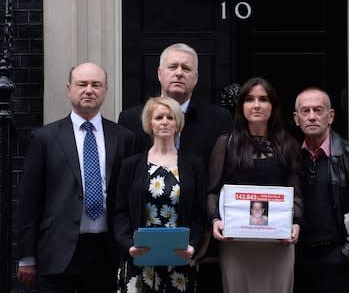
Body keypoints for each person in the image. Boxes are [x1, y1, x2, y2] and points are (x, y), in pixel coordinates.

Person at [118, 43, 232, 293]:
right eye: (173, 67)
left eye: (186, 68)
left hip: (194, 251)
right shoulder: (129, 119)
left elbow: (220, 178)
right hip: (139, 254)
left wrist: (198, 242)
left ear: (196, 77)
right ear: (159, 73)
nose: (179, 72)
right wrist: (127, 242)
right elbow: (123, 193)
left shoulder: (219, 119)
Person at [16, 62, 135, 292]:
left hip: (106, 250)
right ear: (69, 88)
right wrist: (26, 257)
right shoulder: (45, 138)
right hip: (57, 250)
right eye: (82, 84)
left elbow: (128, 196)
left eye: (96, 84)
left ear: (106, 90)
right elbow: (29, 201)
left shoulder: (124, 138)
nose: (88, 90)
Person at [207, 77, 303, 293]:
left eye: (263, 99)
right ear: (241, 106)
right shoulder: (226, 143)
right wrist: (215, 220)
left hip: (278, 243)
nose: (257, 105)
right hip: (236, 243)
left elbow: (296, 193)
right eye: (250, 99)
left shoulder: (289, 144)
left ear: (273, 106)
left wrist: (296, 223)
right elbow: (212, 190)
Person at [114, 96, 206, 292]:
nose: (165, 122)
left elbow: (199, 212)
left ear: (178, 123)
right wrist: (128, 245)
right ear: (149, 123)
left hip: (180, 259)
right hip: (139, 258)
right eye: (159, 117)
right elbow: (120, 211)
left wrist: (193, 246)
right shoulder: (130, 165)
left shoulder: (194, 164)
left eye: (170, 117)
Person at [293, 88, 349, 293]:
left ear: (330, 116)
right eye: (305, 111)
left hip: (338, 259)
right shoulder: (290, 158)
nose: (312, 116)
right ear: (296, 119)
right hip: (297, 259)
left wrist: (347, 253)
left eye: (318, 110)